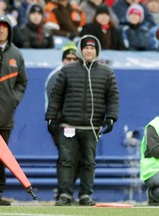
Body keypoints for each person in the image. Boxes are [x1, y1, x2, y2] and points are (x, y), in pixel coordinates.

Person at [45, 35, 119, 206]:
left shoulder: (107, 72)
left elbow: (113, 97)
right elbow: (56, 96)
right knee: (66, 161)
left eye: (92, 48)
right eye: (86, 47)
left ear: (97, 51)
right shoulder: (67, 70)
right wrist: (51, 116)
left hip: (92, 127)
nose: (89, 50)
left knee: (89, 163)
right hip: (68, 125)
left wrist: (112, 118)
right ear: (81, 49)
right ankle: (65, 194)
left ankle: (85, 195)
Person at [0, 14, 28, 205]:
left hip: (5, 116)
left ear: (9, 30)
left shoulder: (16, 55)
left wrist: (13, 100)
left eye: (4, 27)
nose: (0, 30)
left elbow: (22, 82)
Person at [44, 42, 79, 200]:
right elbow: (55, 102)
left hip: (77, 123)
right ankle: (63, 192)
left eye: (73, 58)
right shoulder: (56, 76)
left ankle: (66, 190)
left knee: (77, 158)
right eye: (68, 58)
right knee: (66, 157)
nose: (70, 61)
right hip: (59, 123)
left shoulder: (80, 75)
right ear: (63, 60)